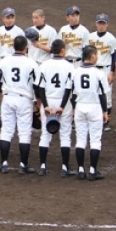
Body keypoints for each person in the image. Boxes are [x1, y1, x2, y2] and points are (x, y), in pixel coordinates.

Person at [64, 45, 110, 180]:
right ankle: (92, 170)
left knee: (80, 140)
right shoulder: (99, 73)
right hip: (94, 107)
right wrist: (105, 111)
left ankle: (80, 170)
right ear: (93, 56)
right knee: (95, 140)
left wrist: (74, 107)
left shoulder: (75, 72)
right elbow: (102, 95)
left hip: (80, 106)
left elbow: (72, 94)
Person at [0, 35, 38, 174]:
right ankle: (23, 165)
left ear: (13, 46)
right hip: (24, 99)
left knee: (6, 131)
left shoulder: (4, 61)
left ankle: (4, 163)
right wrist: (37, 103)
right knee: (24, 133)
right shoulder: (31, 63)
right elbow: (36, 85)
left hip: (8, 98)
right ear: (26, 47)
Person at [36, 39, 75, 177]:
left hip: (48, 100)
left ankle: (42, 166)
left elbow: (40, 88)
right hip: (63, 102)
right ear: (63, 50)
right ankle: (65, 167)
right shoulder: (69, 66)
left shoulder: (44, 65)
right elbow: (69, 89)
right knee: (65, 135)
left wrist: (45, 105)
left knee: (45, 135)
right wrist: (62, 107)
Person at [87, 13, 116, 132]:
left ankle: (106, 121)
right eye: (99, 23)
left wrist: (112, 72)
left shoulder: (111, 38)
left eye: (103, 23)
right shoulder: (90, 37)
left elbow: (114, 56)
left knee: (107, 95)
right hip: (92, 68)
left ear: (107, 24)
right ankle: (92, 119)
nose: (101, 25)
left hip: (106, 69)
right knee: (91, 93)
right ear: (96, 24)